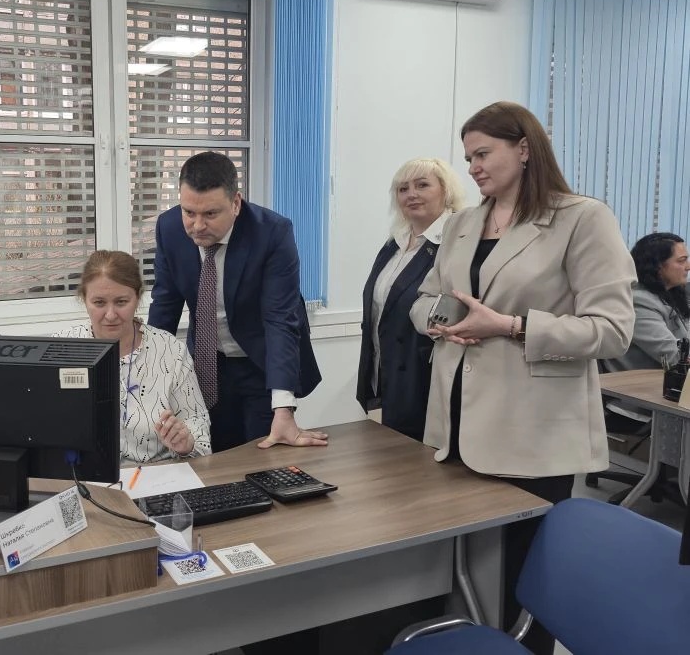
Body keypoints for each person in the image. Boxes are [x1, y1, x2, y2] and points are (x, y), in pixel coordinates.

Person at [408, 101, 635, 655]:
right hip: (456, 427)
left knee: (526, 582)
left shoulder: (582, 218)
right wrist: (437, 321)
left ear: (525, 149)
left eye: (483, 154)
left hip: (533, 433)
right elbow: (425, 297)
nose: (473, 168)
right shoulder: (462, 223)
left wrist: (511, 326)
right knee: (465, 571)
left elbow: (612, 331)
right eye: (469, 157)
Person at [148, 152, 326, 454]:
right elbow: (165, 305)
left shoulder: (272, 232)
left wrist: (284, 408)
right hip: (207, 363)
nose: (197, 225)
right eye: (189, 212)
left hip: (261, 362)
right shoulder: (169, 228)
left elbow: (280, 319)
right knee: (211, 453)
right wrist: (149, 379)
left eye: (210, 214)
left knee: (263, 455)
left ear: (235, 203)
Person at [54, 250, 211, 465]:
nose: (110, 315)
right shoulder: (61, 350)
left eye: (121, 302)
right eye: (99, 303)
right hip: (83, 476)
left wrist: (186, 443)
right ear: (84, 299)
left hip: (156, 475)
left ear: (137, 298)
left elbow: (200, 435)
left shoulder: (170, 351)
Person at [357, 157, 466, 441]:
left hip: (425, 380)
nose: (411, 194)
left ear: (446, 191)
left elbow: (454, 310)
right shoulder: (394, 243)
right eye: (403, 189)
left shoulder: (457, 241)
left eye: (422, 185)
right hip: (384, 374)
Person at [601, 232, 689, 372]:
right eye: (681, 261)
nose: (688, 266)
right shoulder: (639, 302)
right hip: (636, 384)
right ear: (658, 265)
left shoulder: (670, 295)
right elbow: (676, 356)